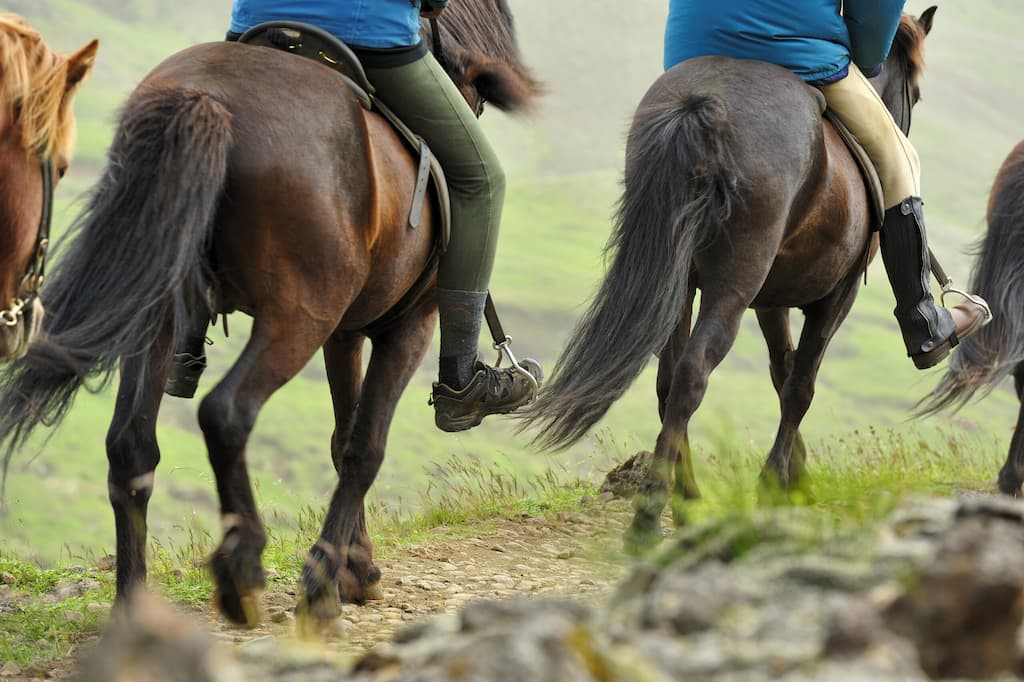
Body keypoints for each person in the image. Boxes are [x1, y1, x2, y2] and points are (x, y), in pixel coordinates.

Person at [166, 0, 539, 431]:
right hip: (370, 36)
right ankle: (460, 379)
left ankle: (186, 337)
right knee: (483, 179)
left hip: (257, 24)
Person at [663, 0, 991, 370]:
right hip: (789, 47)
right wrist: (866, 58)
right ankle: (925, 323)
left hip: (691, 43)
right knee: (903, 160)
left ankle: (648, 285)